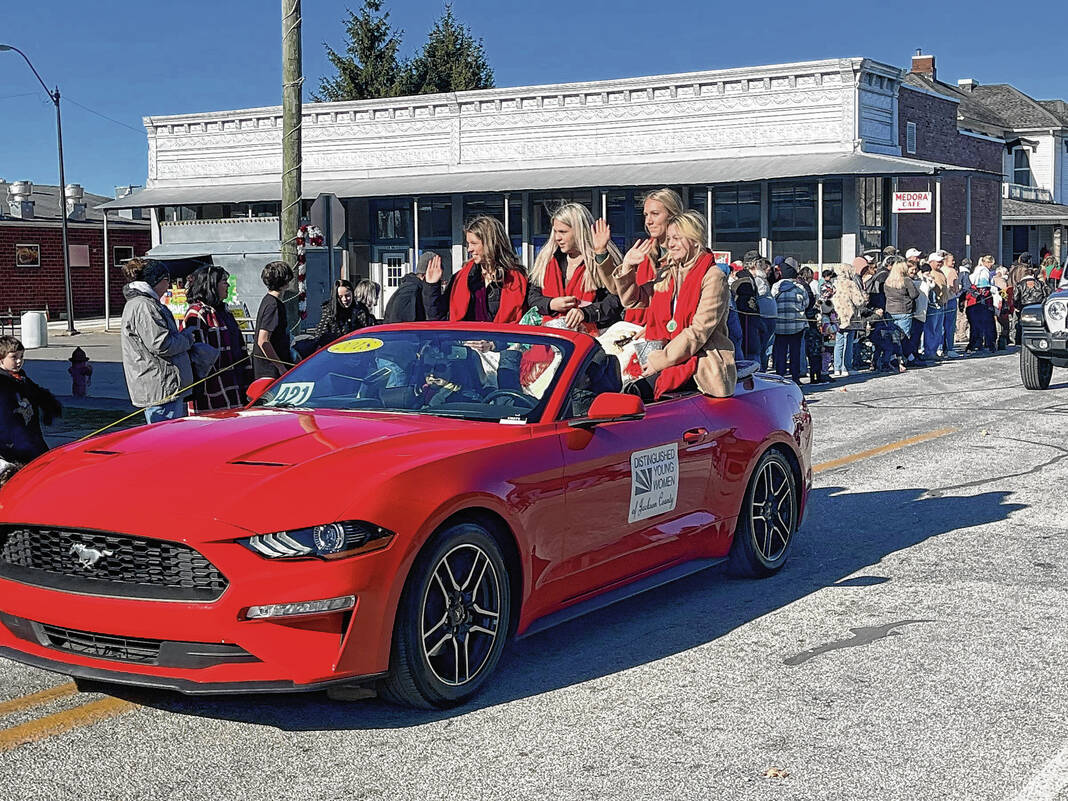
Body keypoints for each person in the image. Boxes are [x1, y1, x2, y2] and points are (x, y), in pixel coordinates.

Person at [600, 210, 736, 399]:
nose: (670, 244)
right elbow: (633, 300)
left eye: (677, 238)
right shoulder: (669, 272)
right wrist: (627, 267)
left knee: (635, 394)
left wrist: (660, 361)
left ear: (695, 240)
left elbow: (698, 332)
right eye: (670, 238)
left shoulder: (714, 277)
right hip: (663, 353)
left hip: (698, 363)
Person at [120, 258, 195, 423]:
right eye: (166, 280)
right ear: (155, 281)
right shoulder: (144, 306)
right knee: (166, 439)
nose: (169, 284)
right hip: (160, 386)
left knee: (171, 437)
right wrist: (187, 338)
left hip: (164, 385)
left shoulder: (148, 303)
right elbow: (161, 344)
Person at [527, 203, 622, 331]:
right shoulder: (546, 259)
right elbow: (533, 297)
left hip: (596, 336)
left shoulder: (602, 259)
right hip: (552, 336)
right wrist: (550, 304)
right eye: (555, 231)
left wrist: (586, 313)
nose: (557, 238)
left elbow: (616, 300)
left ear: (580, 231)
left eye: (563, 232)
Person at [425, 215, 528, 323]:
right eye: (468, 244)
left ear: (491, 243)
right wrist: (432, 287)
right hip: (466, 339)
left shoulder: (518, 279)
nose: (469, 249)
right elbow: (438, 319)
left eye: (474, 243)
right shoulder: (461, 279)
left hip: (504, 339)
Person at [183, 265, 252, 412]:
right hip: (212, 391)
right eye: (224, 281)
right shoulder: (197, 313)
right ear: (212, 285)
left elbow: (239, 346)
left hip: (235, 384)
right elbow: (198, 358)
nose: (228, 285)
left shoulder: (225, 311)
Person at [0, 336, 61, 482]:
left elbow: (36, 393)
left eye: (21, 357)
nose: (19, 361)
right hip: (10, 442)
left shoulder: (21, 378)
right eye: (14, 357)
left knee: (41, 471)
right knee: (17, 479)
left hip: (31, 436)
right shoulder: (2, 382)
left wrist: (49, 405)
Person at [621, 188, 685, 327]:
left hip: (674, 332)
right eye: (645, 215)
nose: (648, 221)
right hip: (637, 326)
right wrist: (626, 267)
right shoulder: (643, 251)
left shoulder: (686, 253)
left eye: (655, 214)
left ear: (672, 215)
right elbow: (632, 299)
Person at [252, 260, 295, 380]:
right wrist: (281, 367)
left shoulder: (268, 301)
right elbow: (263, 340)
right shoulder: (273, 305)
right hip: (270, 372)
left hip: (270, 368)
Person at [770, 259, 810, 383]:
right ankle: (795, 377)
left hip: (779, 325)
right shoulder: (799, 287)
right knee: (795, 352)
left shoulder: (776, 287)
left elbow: (772, 303)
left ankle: (780, 375)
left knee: (780, 351)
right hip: (796, 325)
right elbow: (806, 303)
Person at [312, 279, 376, 348]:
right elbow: (320, 336)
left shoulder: (360, 309)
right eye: (340, 297)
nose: (344, 299)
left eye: (347, 295)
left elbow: (370, 328)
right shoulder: (329, 311)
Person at [384, 252, 446, 323]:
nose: (441, 282)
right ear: (426, 275)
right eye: (438, 279)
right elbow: (403, 327)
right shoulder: (410, 292)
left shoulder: (414, 288)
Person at [882, 257, 918, 373]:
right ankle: (902, 360)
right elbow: (914, 295)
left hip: (890, 311)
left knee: (893, 338)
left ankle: (894, 359)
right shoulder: (906, 280)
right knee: (903, 337)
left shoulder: (888, 281)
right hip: (904, 310)